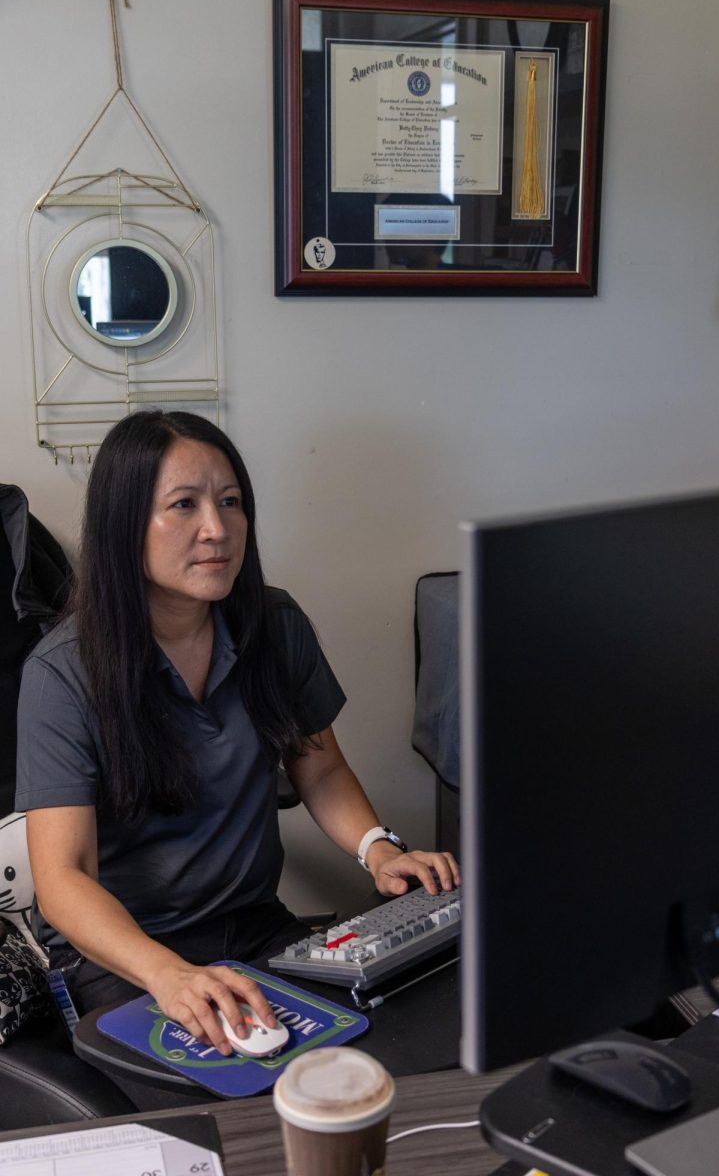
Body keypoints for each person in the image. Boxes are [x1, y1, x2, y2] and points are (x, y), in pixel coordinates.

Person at [15, 411, 459, 1060]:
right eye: (184, 506)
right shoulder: (62, 674)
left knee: (388, 1048)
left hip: (256, 931)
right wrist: (167, 975)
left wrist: (380, 850)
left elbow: (322, 769)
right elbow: (63, 879)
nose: (216, 529)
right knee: (228, 1104)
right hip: (124, 957)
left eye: (230, 502)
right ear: (124, 525)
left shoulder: (274, 626)